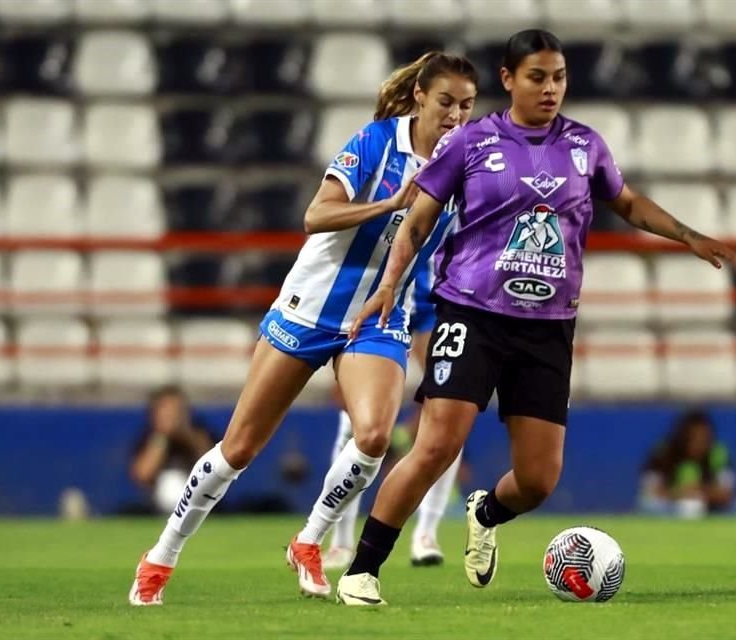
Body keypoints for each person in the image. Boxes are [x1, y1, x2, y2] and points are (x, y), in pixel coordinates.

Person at [336, 29, 736, 606]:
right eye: (537, 77)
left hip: (548, 325)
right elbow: (418, 220)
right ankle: (363, 569)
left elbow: (625, 201)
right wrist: (389, 284)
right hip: (472, 314)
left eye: (558, 77)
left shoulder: (584, 145)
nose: (550, 88)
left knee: (537, 481)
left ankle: (486, 510)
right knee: (436, 445)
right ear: (507, 79)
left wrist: (688, 235)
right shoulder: (472, 141)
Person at [128, 52, 478, 605]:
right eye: (446, 102)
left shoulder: (466, 168)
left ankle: (309, 540)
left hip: (379, 316)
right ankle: (162, 554)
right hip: (309, 309)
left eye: (466, 105)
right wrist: (388, 204)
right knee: (238, 449)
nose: (457, 115)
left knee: (373, 437)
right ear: (419, 98)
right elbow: (316, 215)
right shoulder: (375, 143)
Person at [323, 263, 464, 570]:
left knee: (449, 409)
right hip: (380, 285)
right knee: (352, 422)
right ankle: (342, 541)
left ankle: (426, 534)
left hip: (434, 289)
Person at [638, 409, 736, 518]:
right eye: (694, 438)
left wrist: (701, 493)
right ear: (683, 437)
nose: (700, 444)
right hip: (671, 509)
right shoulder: (664, 452)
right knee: (648, 505)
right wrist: (680, 493)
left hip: (710, 509)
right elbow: (651, 491)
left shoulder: (719, 454)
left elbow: (727, 493)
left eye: (705, 439)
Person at [129, 386, 217, 514]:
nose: (172, 416)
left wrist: (185, 433)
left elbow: (214, 467)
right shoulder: (148, 438)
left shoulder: (200, 432)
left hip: (201, 506)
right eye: (166, 411)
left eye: (177, 411)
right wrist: (162, 436)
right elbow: (143, 475)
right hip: (156, 509)